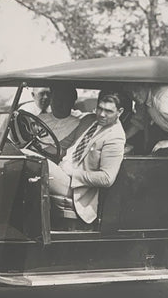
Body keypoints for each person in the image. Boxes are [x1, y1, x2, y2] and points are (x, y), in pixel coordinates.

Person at [47, 92, 127, 224]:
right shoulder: (89, 119)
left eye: (108, 111)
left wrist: (72, 173)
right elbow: (63, 146)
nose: (101, 114)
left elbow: (107, 178)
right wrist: (37, 146)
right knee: (27, 155)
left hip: (76, 187)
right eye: (100, 108)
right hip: (61, 170)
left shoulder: (115, 136)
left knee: (40, 165)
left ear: (120, 112)